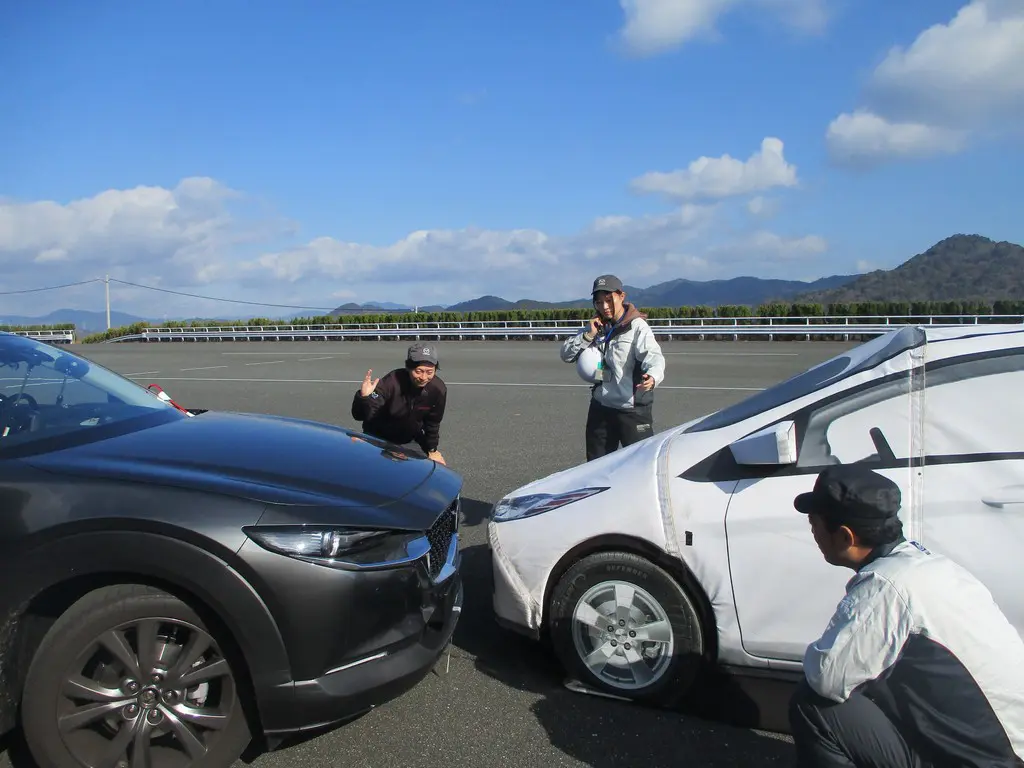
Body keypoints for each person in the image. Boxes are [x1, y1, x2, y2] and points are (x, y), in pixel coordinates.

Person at [789, 463, 1024, 767]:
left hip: (989, 761)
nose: (812, 530)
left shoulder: (887, 586)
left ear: (846, 536)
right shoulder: (929, 565)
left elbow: (826, 678)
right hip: (1007, 747)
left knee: (814, 704)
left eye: (814, 522)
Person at [559, 274, 666, 461]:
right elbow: (566, 355)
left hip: (631, 410)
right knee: (596, 466)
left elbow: (654, 356)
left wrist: (653, 376)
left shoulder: (637, 327)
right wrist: (587, 336)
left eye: (609, 300)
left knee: (639, 466)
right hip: (601, 407)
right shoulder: (595, 327)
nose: (604, 307)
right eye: (599, 302)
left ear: (621, 296)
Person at [351, 342, 448, 465]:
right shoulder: (391, 382)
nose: (424, 377)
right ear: (409, 367)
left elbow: (433, 423)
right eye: (418, 371)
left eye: (430, 372)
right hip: (377, 436)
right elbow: (359, 416)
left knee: (435, 468)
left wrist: (432, 450)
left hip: (408, 440)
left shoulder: (438, 389)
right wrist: (364, 398)